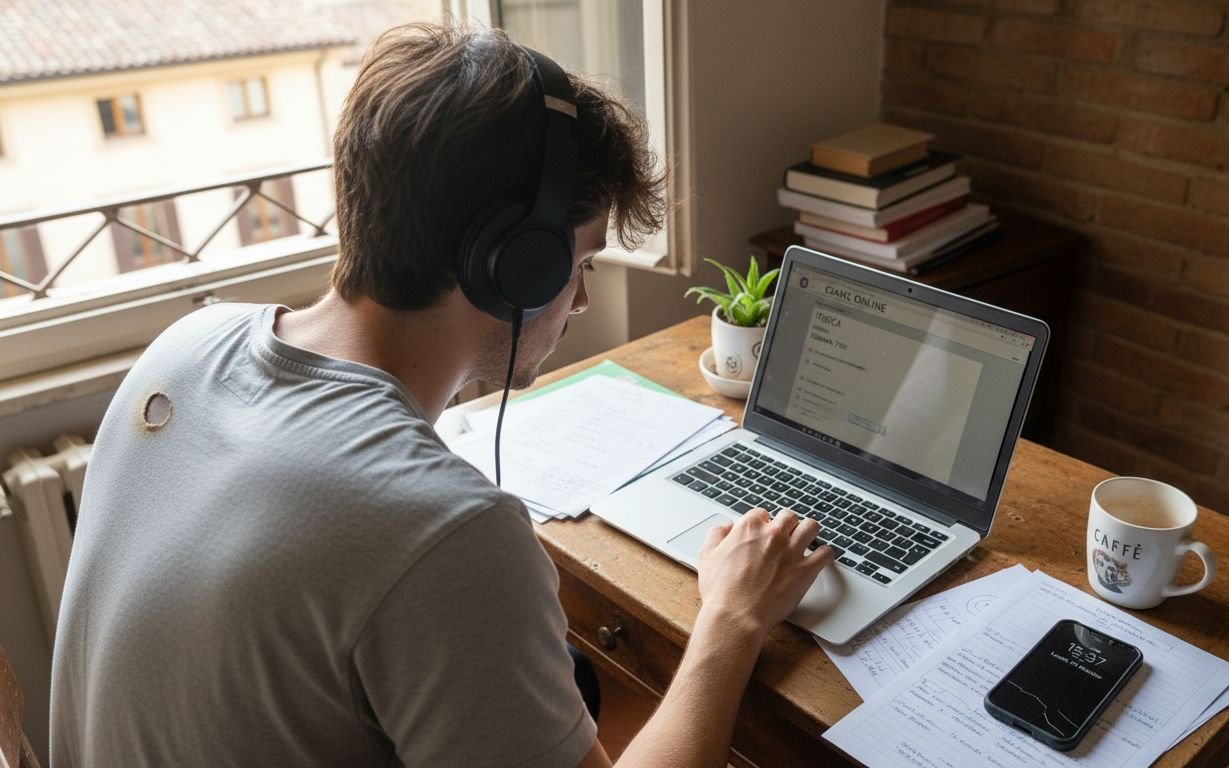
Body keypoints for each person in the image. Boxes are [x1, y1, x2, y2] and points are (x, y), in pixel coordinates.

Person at [50, 21, 833, 768]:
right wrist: (731, 621)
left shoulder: (187, 344)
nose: (581, 300)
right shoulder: (448, 533)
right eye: (582, 263)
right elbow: (410, 546)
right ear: (515, 264)